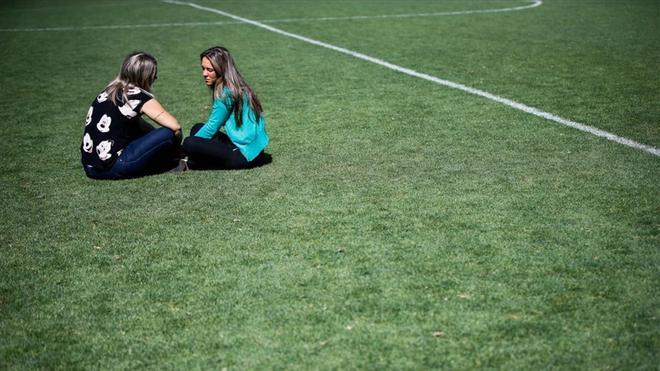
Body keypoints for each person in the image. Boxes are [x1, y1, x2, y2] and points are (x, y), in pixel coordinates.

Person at [80, 51, 185, 180]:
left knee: (141, 129)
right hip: (114, 167)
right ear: (144, 76)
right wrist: (175, 149)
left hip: (90, 167)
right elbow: (175, 126)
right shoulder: (138, 96)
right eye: (153, 74)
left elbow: (140, 126)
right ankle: (167, 162)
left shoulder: (108, 91)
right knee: (167, 133)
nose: (155, 77)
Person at [182, 46, 269, 169]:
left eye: (209, 70)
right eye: (203, 68)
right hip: (254, 150)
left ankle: (193, 161)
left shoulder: (225, 93)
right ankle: (196, 159)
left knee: (189, 143)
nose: (204, 74)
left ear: (221, 69)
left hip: (244, 155)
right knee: (197, 128)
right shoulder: (236, 86)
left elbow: (212, 127)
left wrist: (180, 151)